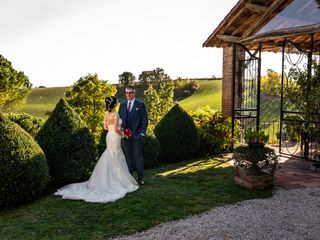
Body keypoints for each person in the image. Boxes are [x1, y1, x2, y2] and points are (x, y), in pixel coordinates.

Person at [55, 96, 139, 203]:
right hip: (115, 136)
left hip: (109, 136)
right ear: (114, 104)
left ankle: (108, 180)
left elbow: (105, 127)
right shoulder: (116, 114)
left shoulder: (106, 114)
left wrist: (119, 129)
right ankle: (116, 181)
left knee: (110, 154)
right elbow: (117, 129)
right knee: (116, 155)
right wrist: (123, 135)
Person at [119, 85, 148, 185]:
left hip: (137, 136)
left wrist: (142, 133)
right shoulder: (122, 106)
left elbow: (145, 120)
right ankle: (129, 179)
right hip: (126, 137)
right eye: (126, 93)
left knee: (138, 157)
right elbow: (120, 121)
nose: (128, 95)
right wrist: (121, 132)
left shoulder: (140, 104)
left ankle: (141, 179)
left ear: (134, 93)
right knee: (128, 157)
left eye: (130, 92)